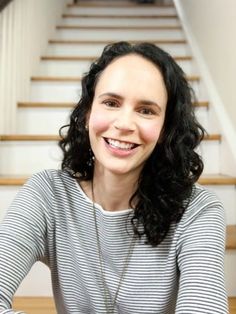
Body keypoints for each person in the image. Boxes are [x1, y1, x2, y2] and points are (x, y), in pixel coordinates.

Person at [0, 42, 228, 313]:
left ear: (166, 128)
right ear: (87, 114)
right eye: (111, 103)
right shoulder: (48, 195)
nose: (124, 124)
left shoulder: (198, 211)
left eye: (146, 110)